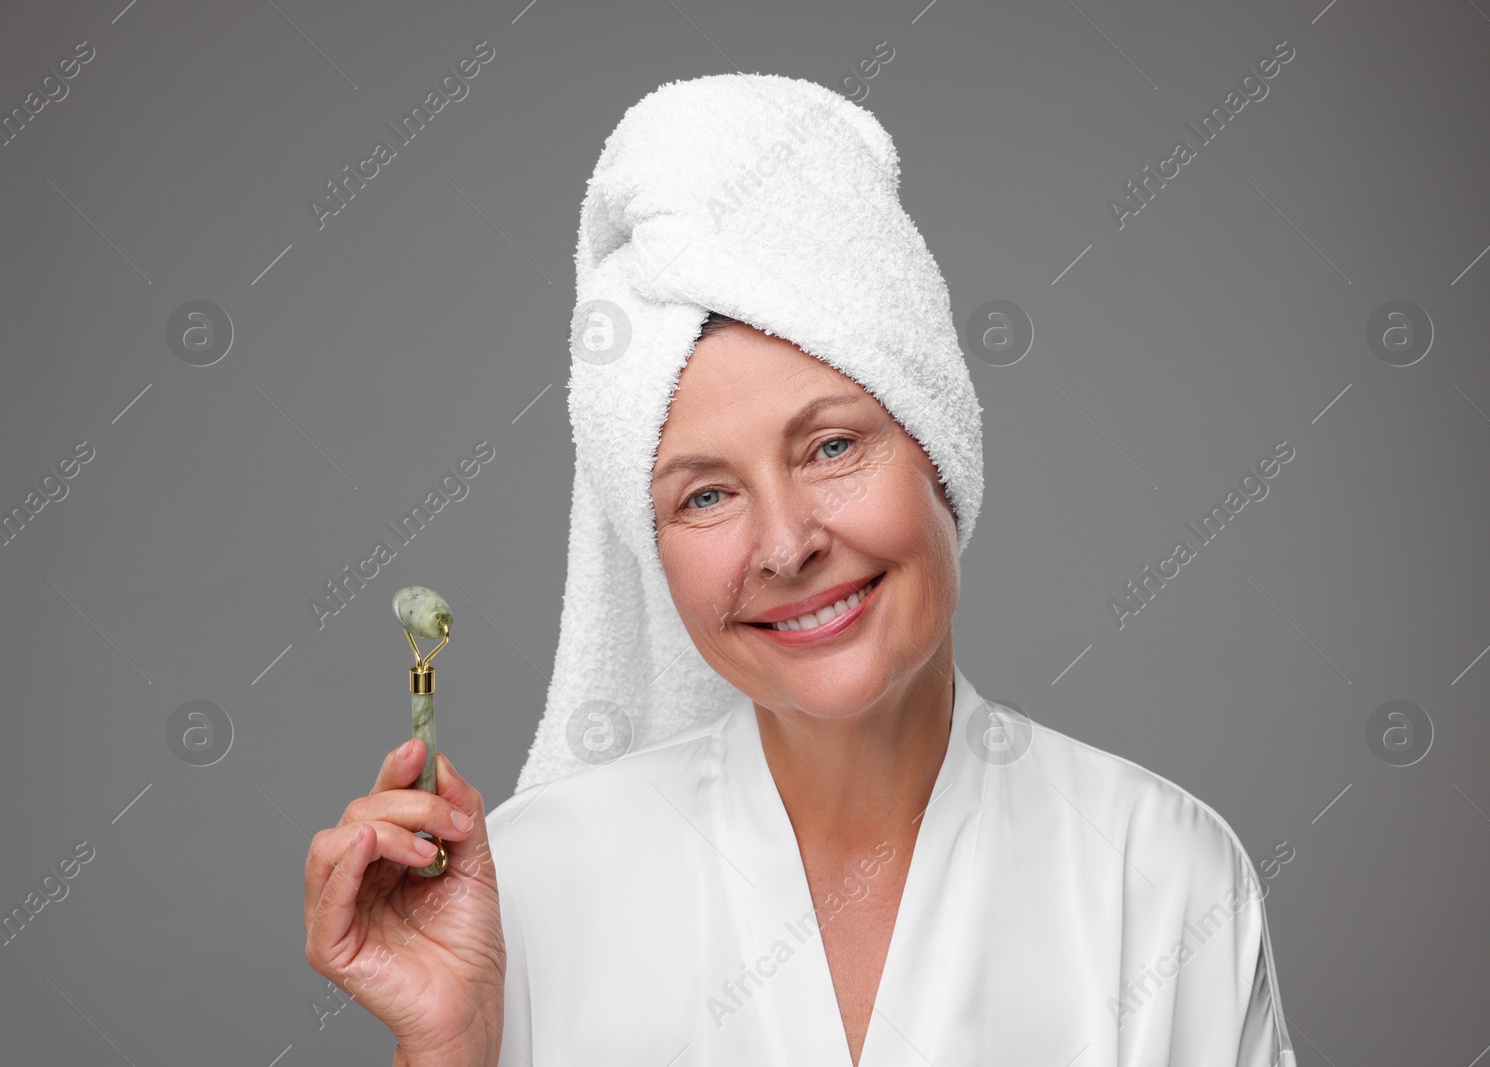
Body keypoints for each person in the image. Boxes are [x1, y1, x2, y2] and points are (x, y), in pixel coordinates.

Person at [304, 74, 1296, 1067]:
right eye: (704, 495)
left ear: (940, 447)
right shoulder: (524, 887)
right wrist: (449, 1045)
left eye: (830, 447)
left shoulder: (1159, 873)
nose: (784, 544)